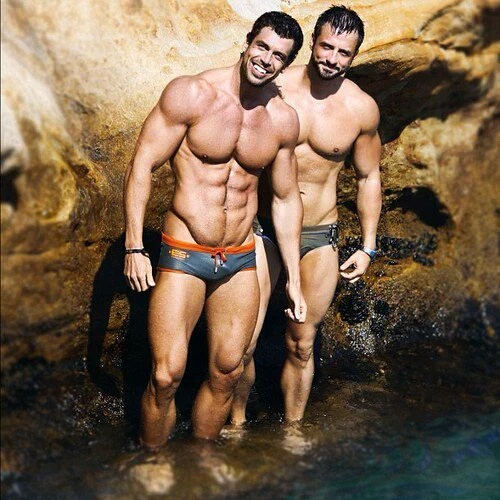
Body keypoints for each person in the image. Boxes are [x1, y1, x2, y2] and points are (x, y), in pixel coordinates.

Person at [123, 11, 306, 448]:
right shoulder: (192, 94)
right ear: (247, 42)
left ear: (286, 65)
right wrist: (133, 246)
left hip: (239, 257)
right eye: (262, 47)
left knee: (228, 372)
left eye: (278, 56)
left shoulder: (282, 120)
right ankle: (153, 459)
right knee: (166, 375)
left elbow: (285, 200)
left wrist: (294, 279)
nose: (266, 60)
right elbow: (142, 165)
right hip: (184, 250)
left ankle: (201, 461)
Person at [231, 5, 382, 425]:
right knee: (242, 341)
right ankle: (236, 425)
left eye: (344, 53)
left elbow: (369, 177)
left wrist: (368, 246)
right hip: (263, 229)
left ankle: (293, 432)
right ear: (313, 41)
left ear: (355, 56)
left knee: (301, 344)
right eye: (326, 46)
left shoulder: (361, 108)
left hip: (319, 235)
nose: (332, 58)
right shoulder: (274, 88)